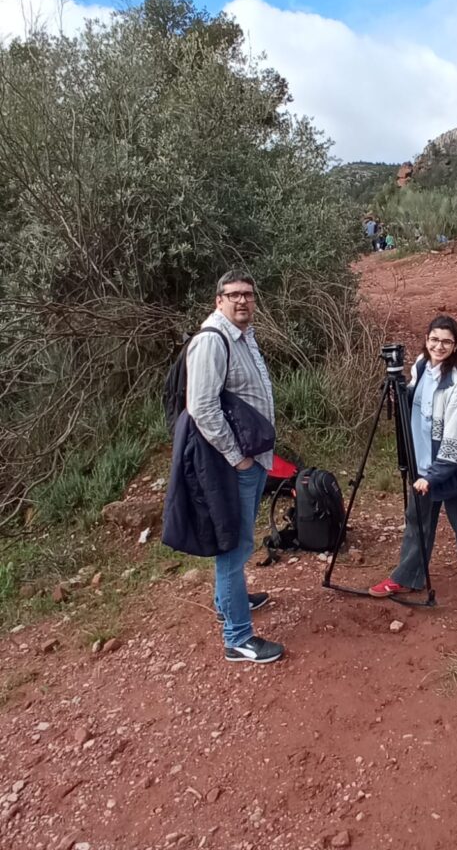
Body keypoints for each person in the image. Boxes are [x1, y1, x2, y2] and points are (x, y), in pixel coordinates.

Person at [185, 270, 284, 664]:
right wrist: (237, 457)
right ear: (219, 300)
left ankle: (229, 601)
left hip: (253, 458)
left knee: (239, 540)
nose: (242, 300)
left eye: (248, 294)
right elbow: (201, 407)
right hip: (234, 463)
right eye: (234, 295)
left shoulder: (243, 334)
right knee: (234, 546)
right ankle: (238, 638)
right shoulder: (213, 340)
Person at [369, 315, 457, 599]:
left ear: (455, 345)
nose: (439, 346)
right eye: (434, 340)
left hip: (451, 468)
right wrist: (400, 394)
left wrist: (434, 475)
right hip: (422, 462)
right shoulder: (421, 366)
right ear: (426, 340)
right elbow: (417, 400)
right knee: (417, 522)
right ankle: (407, 577)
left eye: (446, 342)